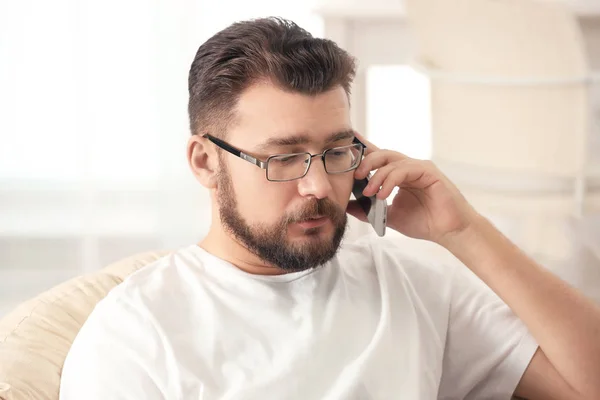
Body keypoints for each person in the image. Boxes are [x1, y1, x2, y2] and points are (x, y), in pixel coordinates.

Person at [60, 17, 600, 400]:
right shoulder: (136, 336)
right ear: (205, 163)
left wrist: (463, 231)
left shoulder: (412, 283)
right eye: (285, 157)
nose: (318, 185)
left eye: (337, 152)